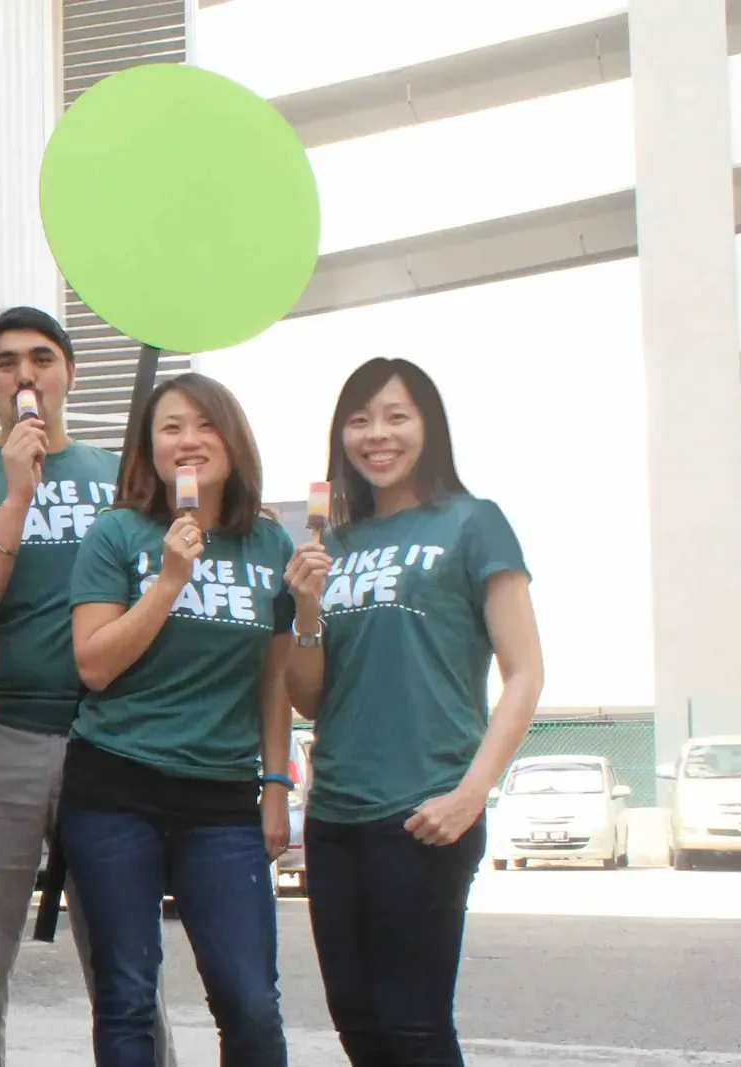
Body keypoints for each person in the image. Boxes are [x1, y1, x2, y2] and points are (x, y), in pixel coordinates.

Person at [284, 357, 543, 1067]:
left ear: (429, 426)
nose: (377, 434)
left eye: (396, 416)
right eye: (359, 420)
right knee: (359, 1026)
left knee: (414, 1029)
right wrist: (305, 608)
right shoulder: (331, 545)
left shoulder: (474, 522)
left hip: (425, 810)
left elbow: (525, 672)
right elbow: (309, 697)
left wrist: (470, 794)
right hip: (335, 815)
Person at [0, 307, 175, 1067]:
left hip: (110, 737)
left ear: (69, 371)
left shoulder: (124, 476)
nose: (25, 374)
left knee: (127, 962)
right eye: (6, 362)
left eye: (42, 358)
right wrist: (15, 494)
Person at [63, 373, 293, 1067]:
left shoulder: (270, 546)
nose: (189, 440)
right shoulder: (118, 533)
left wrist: (275, 784)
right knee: (127, 997)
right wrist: (168, 581)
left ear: (234, 439)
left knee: (251, 1003)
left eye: (205, 424)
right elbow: (94, 665)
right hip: (114, 787)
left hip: (221, 798)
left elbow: (275, 679)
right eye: (171, 427)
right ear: (149, 448)